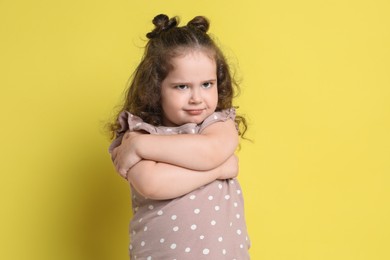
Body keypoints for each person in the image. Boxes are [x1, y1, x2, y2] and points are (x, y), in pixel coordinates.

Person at [108, 14, 250, 259]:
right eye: (182, 86)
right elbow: (152, 184)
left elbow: (210, 152)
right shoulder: (140, 130)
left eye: (207, 84)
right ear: (155, 88)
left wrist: (142, 147)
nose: (197, 97)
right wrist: (219, 169)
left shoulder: (217, 123)